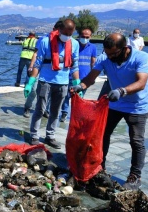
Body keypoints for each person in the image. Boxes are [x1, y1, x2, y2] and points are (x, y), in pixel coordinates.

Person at [71, 33, 148, 190]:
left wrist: (122, 91)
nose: (110, 57)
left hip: (137, 106)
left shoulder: (142, 57)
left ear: (125, 48)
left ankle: (135, 176)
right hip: (115, 104)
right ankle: (100, 166)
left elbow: (141, 83)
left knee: (136, 140)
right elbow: (91, 78)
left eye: (113, 54)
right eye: (107, 53)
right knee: (102, 134)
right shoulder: (105, 58)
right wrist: (80, 86)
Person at [23, 19, 80, 149]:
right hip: (45, 82)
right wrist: (30, 82)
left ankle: (50, 136)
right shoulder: (44, 41)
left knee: (56, 111)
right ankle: (34, 134)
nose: (67, 36)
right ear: (58, 30)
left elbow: (75, 66)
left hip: (63, 83)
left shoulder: (75, 44)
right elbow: (38, 64)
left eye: (70, 34)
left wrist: (78, 83)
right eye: (65, 33)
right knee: (40, 109)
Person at [23, 21, 62, 118]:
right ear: (54, 29)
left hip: (50, 70)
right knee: (34, 90)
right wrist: (31, 66)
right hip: (38, 68)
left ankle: (45, 109)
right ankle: (27, 107)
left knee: (49, 92)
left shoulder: (62, 41)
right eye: (58, 31)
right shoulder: (43, 39)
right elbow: (35, 54)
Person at [59, 27, 98, 122]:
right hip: (71, 76)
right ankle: (64, 113)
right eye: (82, 36)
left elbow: (93, 63)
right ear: (79, 35)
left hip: (85, 78)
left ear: (90, 37)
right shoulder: (73, 45)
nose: (84, 38)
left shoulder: (93, 47)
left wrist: (93, 77)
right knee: (67, 96)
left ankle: (75, 114)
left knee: (79, 97)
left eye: (87, 37)